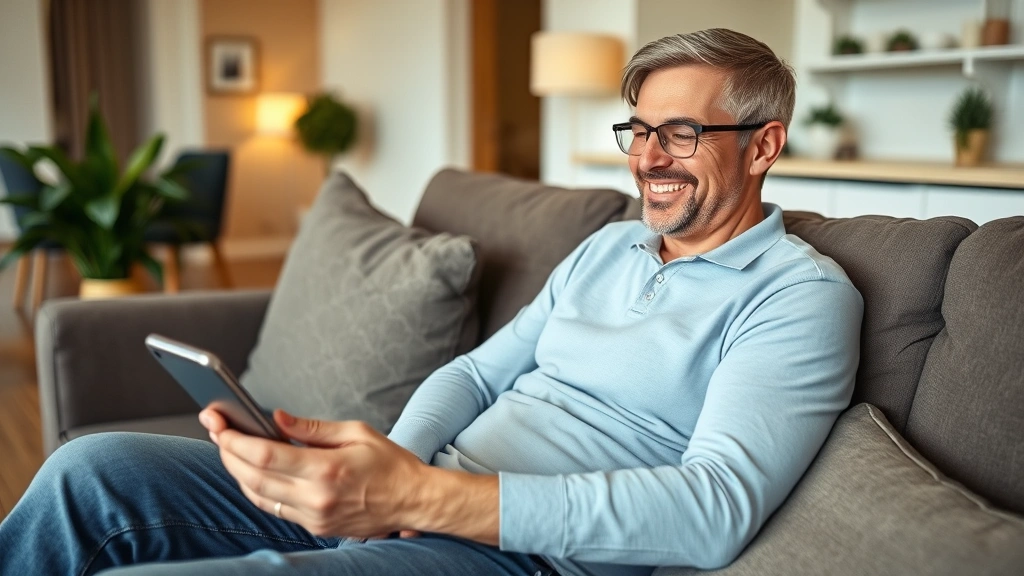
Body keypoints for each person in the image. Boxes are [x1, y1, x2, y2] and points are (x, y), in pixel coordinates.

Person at [0, 28, 862, 576]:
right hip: (413, 498)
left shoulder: (798, 297)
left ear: (763, 146)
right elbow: (477, 375)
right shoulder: (610, 246)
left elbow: (712, 511)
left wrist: (418, 500)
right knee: (92, 473)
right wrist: (385, 480)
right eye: (638, 131)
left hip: (519, 555)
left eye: (680, 133)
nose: (646, 159)